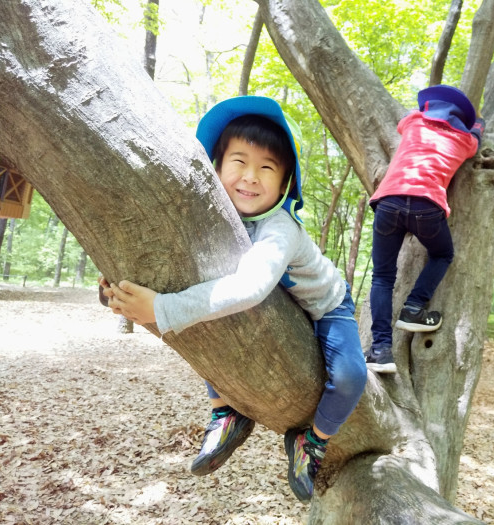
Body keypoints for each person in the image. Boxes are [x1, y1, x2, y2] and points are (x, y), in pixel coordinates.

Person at [99, 96, 367, 502]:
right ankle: (226, 409)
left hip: (327, 305)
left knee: (351, 377)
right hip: (275, 302)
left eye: (266, 167)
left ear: (284, 182)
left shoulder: (281, 227)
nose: (250, 177)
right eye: (239, 161)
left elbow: (250, 287)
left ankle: (311, 441)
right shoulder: (211, 220)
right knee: (213, 315)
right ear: (217, 166)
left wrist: (161, 309)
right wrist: (116, 286)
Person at [365, 85, 485, 374]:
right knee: (442, 255)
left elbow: (409, 115)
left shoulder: (414, 123)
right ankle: (414, 307)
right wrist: (477, 122)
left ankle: (381, 350)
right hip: (427, 207)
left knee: (382, 277)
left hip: (388, 202)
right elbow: (478, 133)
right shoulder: (465, 139)